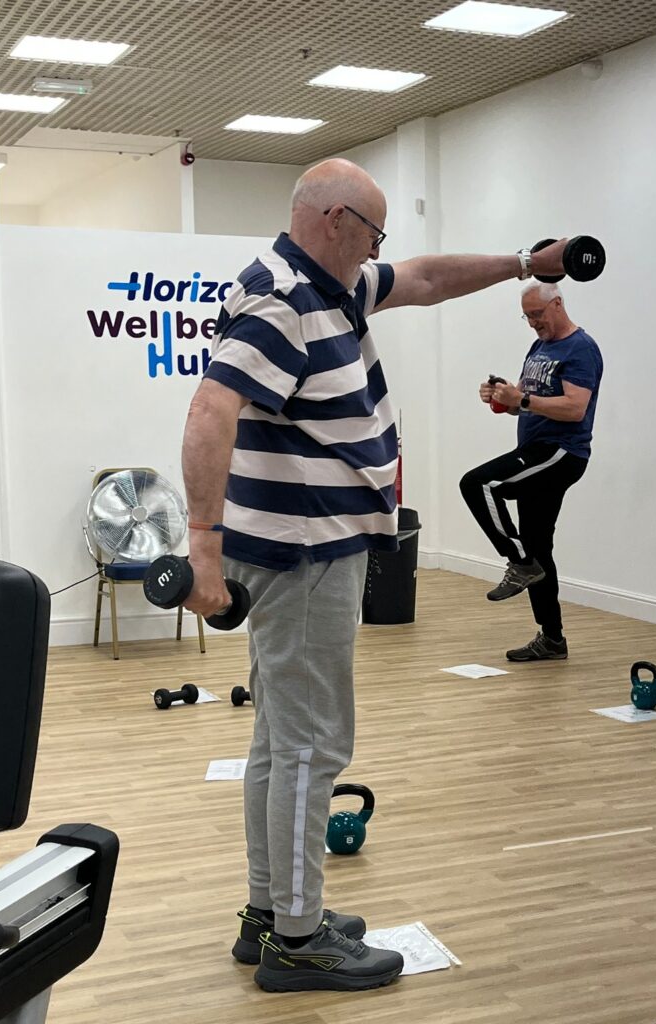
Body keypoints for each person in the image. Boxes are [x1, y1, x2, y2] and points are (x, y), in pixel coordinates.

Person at [179, 157, 571, 994]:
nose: (380, 250)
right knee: (314, 744)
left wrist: (521, 263)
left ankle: (269, 913)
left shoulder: (334, 284)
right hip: (304, 553)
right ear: (333, 221)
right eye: (372, 234)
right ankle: (298, 937)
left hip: (309, 548)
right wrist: (201, 547)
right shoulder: (283, 299)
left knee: (281, 741)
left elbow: (426, 278)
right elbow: (211, 407)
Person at [459, 282, 603, 662]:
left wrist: (520, 399)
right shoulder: (539, 347)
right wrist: (501, 398)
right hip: (534, 451)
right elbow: (523, 401)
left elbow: (575, 408)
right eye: (527, 317)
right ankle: (552, 639)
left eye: (537, 315)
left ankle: (518, 562)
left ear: (558, 304)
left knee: (478, 484)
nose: (533, 323)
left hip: (559, 453)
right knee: (540, 547)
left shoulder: (580, 348)